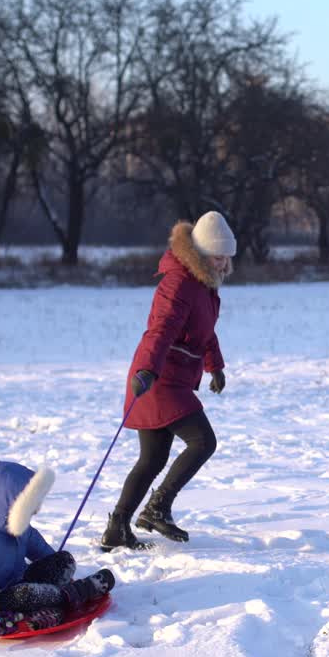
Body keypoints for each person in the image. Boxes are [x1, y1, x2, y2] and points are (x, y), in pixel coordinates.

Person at [101, 211, 236, 551]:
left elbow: (205, 333)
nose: (223, 264)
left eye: (227, 258)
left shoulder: (203, 286)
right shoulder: (178, 283)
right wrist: (147, 369)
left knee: (152, 459)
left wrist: (214, 367)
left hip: (170, 376)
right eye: (217, 257)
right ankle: (156, 508)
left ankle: (119, 527)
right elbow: (160, 330)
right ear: (202, 254)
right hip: (159, 378)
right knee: (203, 441)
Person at [0, 461, 115, 636]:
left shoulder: (18, 527)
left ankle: (48, 606)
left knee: (63, 560)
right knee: (24, 595)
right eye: (29, 506)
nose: (34, 512)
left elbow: (42, 552)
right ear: (10, 506)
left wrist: (59, 573)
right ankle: (72, 595)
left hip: (20, 582)